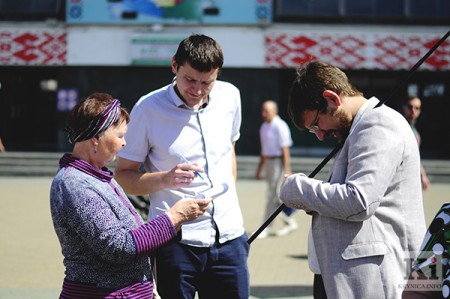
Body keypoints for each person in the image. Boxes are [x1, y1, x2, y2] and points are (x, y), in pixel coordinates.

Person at [114, 34, 250, 299]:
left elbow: (229, 150)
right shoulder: (148, 108)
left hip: (230, 238)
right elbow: (123, 176)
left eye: (207, 82)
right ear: (174, 65)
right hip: (175, 243)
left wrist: (227, 196)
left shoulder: (231, 96)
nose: (197, 90)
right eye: (190, 79)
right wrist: (165, 179)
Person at [279, 61, 426, 298]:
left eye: (316, 124)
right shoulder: (359, 127)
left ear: (332, 99)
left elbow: (358, 201)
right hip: (348, 275)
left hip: (373, 278)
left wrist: (297, 188)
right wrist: (319, 202)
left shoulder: (377, 124)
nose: (319, 135)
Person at [50, 92, 210, 298]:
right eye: (120, 136)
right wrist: (175, 217)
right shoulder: (74, 184)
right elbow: (118, 247)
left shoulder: (97, 176)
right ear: (96, 138)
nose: (124, 143)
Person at [255, 100, 297, 238]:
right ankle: (289, 220)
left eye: (266, 111)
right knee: (275, 196)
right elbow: (263, 150)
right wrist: (259, 169)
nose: (263, 114)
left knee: (272, 196)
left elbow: (285, 148)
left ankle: (266, 227)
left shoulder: (280, 125)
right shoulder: (263, 127)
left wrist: (287, 169)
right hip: (268, 163)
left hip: (277, 162)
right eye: (263, 110)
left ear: (274, 111)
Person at [402, 96, 430, 191]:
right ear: (404, 107)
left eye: (416, 108)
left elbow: (416, 156)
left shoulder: (415, 131)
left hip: (411, 180)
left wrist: (423, 175)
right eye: (410, 107)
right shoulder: (400, 126)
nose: (413, 110)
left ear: (419, 111)